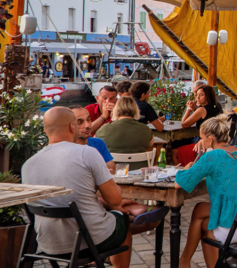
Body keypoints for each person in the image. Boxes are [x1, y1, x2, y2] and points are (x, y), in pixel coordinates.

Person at [21, 107, 133, 268]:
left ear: (45, 130)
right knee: (123, 221)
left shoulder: (28, 165)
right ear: (72, 127)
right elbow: (115, 198)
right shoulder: (86, 153)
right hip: (89, 240)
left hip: (48, 244)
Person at [176, 115, 237, 268]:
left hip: (236, 227)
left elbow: (180, 183)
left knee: (201, 213)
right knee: (204, 220)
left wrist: (188, 168)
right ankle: (184, 261)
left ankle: (184, 261)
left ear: (210, 139)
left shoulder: (212, 156)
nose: (201, 142)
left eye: (202, 138)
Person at [96, 97, 154, 167]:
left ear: (116, 110)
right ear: (136, 110)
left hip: (112, 172)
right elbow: (150, 144)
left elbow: (95, 146)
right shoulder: (146, 130)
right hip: (139, 172)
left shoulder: (103, 130)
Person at [72, 106, 115, 173]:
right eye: (79, 122)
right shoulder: (64, 148)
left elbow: (112, 170)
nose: (87, 125)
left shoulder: (98, 143)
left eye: (88, 120)